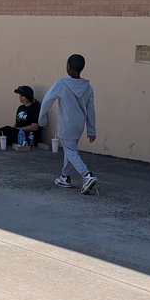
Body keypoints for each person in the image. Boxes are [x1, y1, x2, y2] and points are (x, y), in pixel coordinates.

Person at [38, 54, 99, 195]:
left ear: (68, 67)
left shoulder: (61, 84)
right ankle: (65, 177)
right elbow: (91, 110)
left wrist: (42, 119)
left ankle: (87, 175)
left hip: (66, 124)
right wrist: (91, 129)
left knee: (70, 151)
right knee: (70, 150)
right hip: (79, 125)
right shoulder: (88, 87)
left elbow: (47, 101)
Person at [0, 86, 41, 151]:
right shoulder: (20, 108)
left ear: (24, 97)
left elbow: (35, 127)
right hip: (16, 132)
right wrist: (13, 129)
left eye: (20, 95)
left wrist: (18, 129)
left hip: (25, 135)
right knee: (4, 132)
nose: (19, 97)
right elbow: (17, 123)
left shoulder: (34, 109)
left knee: (6, 129)